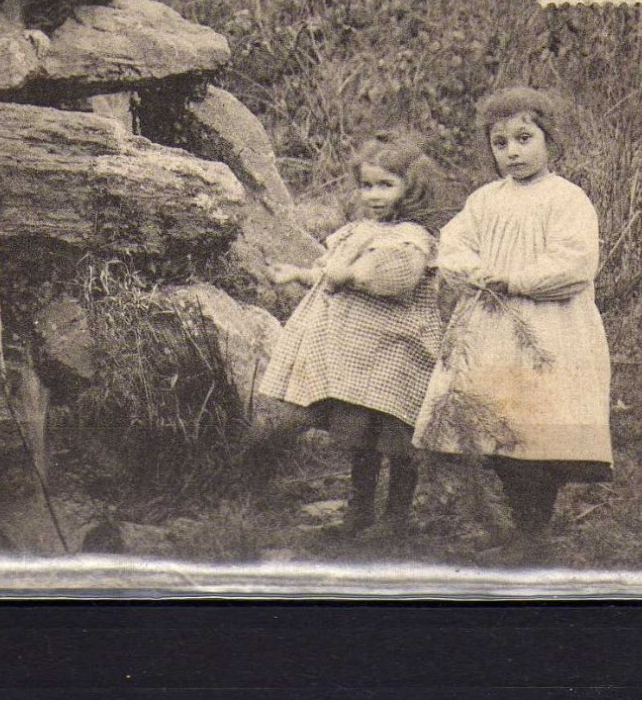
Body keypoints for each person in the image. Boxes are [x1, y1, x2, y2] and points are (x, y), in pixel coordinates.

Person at [412, 87, 613, 558]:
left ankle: (532, 531)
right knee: (497, 423)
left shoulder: (567, 199)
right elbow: (454, 245)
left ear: (550, 140)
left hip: (550, 328)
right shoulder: (484, 200)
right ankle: (515, 523)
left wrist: (514, 279)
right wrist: (473, 272)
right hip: (490, 328)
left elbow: (574, 264)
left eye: (525, 138)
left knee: (539, 428)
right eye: (500, 143)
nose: (513, 152)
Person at [258, 131, 442, 538]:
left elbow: (396, 278)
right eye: (367, 185)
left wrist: (352, 274)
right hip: (360, 359)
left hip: (398, 351)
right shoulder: (358, 231)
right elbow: (329, 271)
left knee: (396, 434)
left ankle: (395, 516)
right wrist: (298, 273)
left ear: (411, 189)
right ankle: (358, 510)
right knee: (360, 434)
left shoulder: (411, 236)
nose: (374, 195)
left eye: (386, 185)